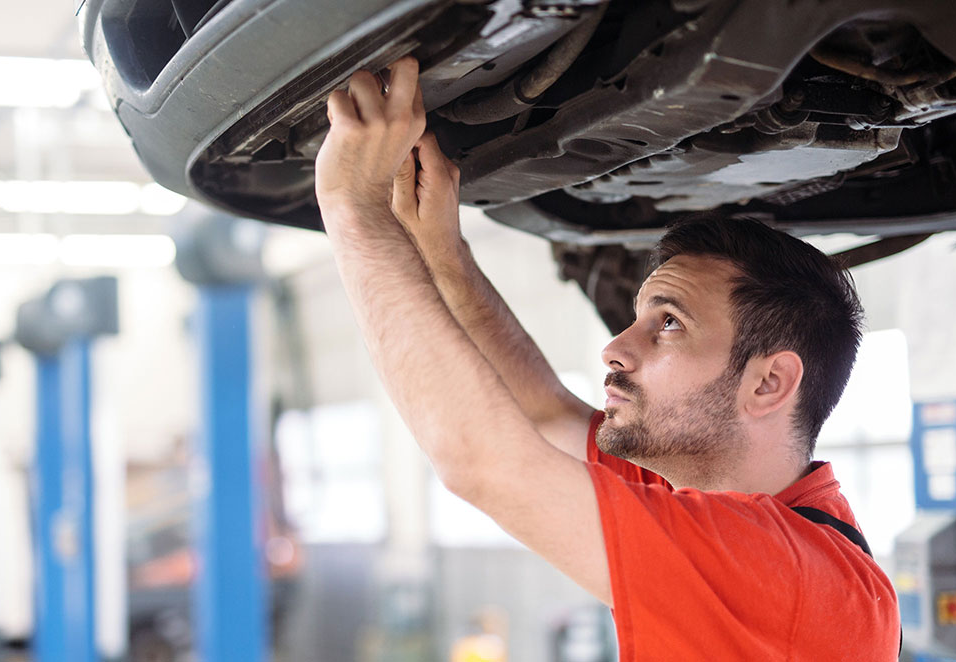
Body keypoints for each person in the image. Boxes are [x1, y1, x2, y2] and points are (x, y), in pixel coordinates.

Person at [312, 56, 900, 661]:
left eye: (669, 324)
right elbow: (541, 412)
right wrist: (443, 254)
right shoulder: (698, 482)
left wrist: (351, 206)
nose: (615, 349)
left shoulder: (795, 577)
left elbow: (481, 461)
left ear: (769, 383)